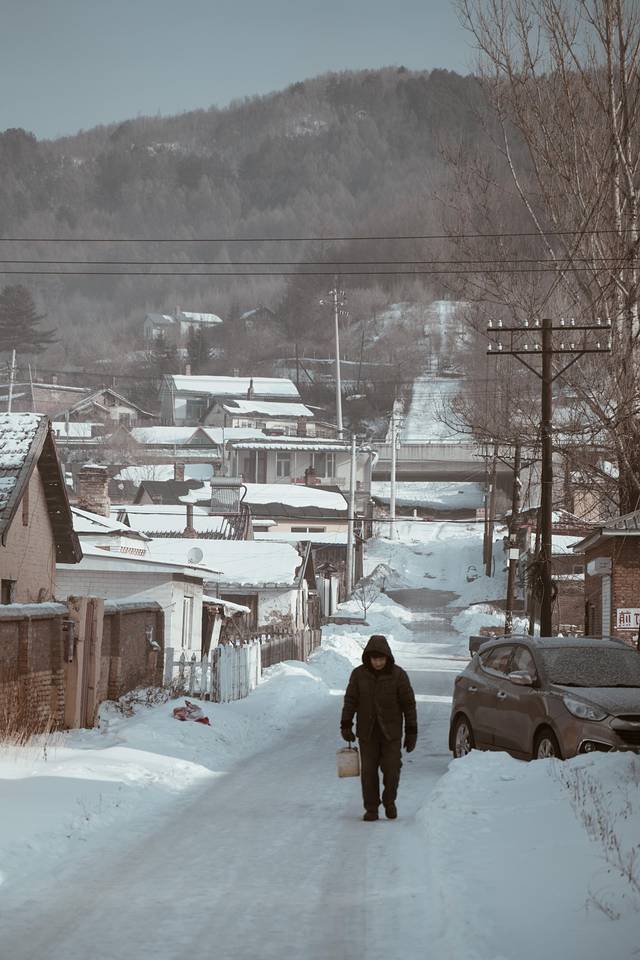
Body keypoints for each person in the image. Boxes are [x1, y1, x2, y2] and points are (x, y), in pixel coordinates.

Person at [340, 634, 417, 821]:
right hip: (367, 732)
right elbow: (350, 701)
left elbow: (408, 704)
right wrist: (346, 724)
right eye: (375, 659)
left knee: (392, 769)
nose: (378, 662)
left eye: (381, 658)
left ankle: (389, 801)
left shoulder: (398, 675)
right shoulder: (358, 675)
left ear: (387, 657)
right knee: (368, 772)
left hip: (391, 733)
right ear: (369, 658)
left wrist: (411, 731)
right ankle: (372, 808)